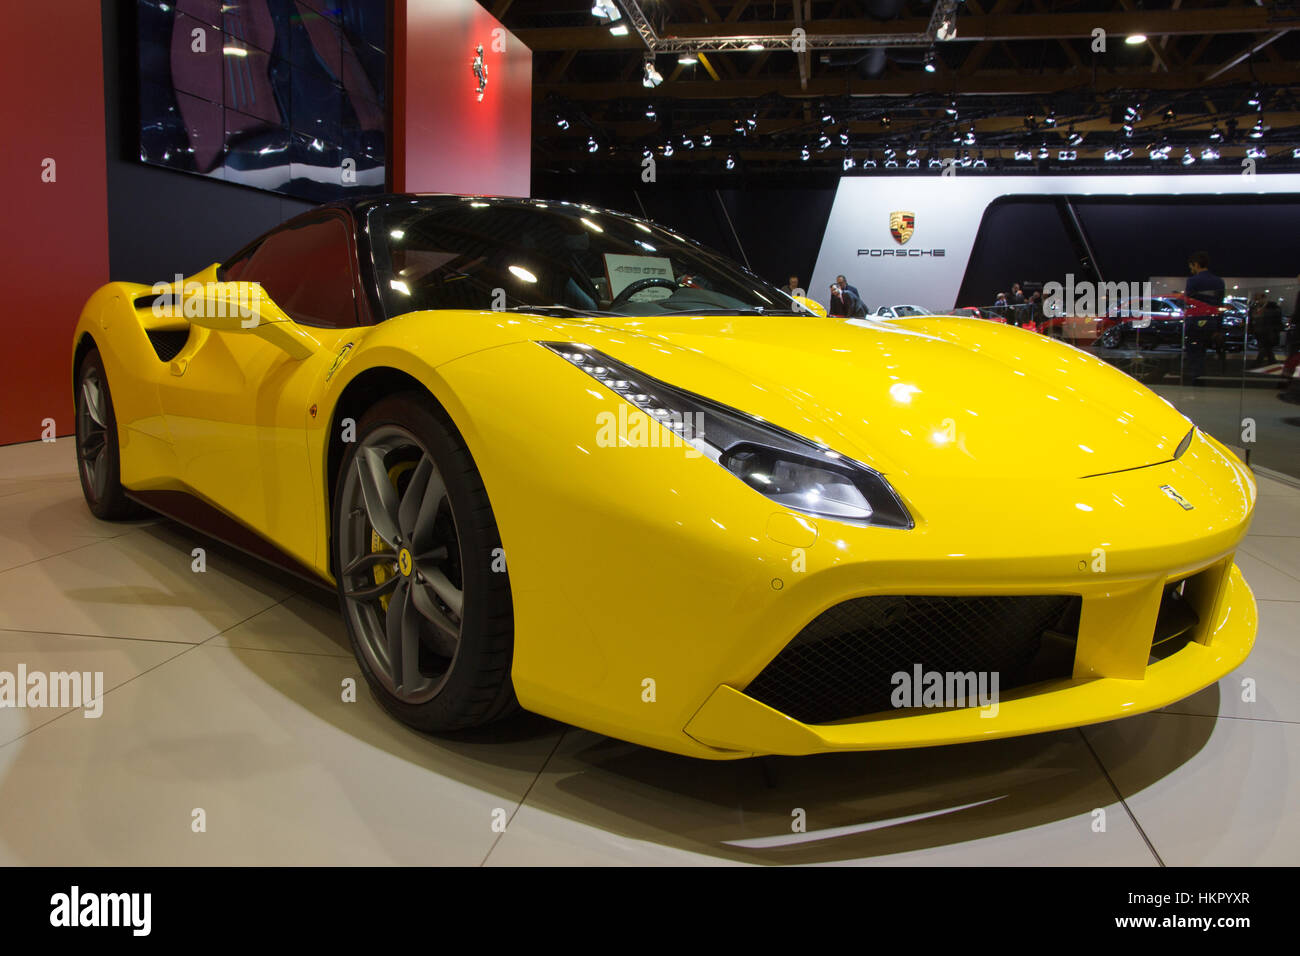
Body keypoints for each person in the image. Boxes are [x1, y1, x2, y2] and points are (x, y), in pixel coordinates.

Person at [1182, 251, 1225, 384]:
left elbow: (1189, 302)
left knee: (1194, 352)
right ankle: (1202, 377)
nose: (1191, 269)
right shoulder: (1219, 282)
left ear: (1196, 264)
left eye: (1191, 266)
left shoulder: (1192, 281)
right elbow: (1219, 305)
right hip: (1212, 322)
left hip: (1195, 322)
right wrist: (1219, 326)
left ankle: (1197, 379)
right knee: (1204, 352)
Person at [1250, 292, 1284, 365]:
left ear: (1264, 298)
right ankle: (1272, 362)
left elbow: (1277, 318)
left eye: (1258, 299)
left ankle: (1258, 362)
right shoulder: (1255, 307)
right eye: (1256, 300)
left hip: (1268, 331)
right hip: (1259, 330)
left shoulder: (1272, 307)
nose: (1257, 301)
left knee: (1264, 347)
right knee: (1267, 348)